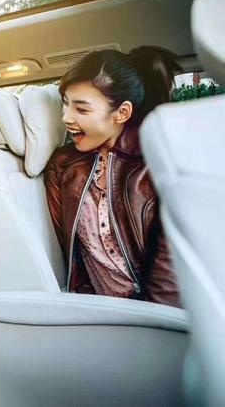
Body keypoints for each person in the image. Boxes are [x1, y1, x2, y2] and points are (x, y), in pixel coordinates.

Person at [44, 46, 182, 307]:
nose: (66, 117)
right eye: (65, 103)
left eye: (81, 109)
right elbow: (74, 258)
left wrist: (154, 322)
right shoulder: (62, 166)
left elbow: (173, 269)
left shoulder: (158, 161)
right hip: (103, 312)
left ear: (122, 113)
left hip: (160, 313)